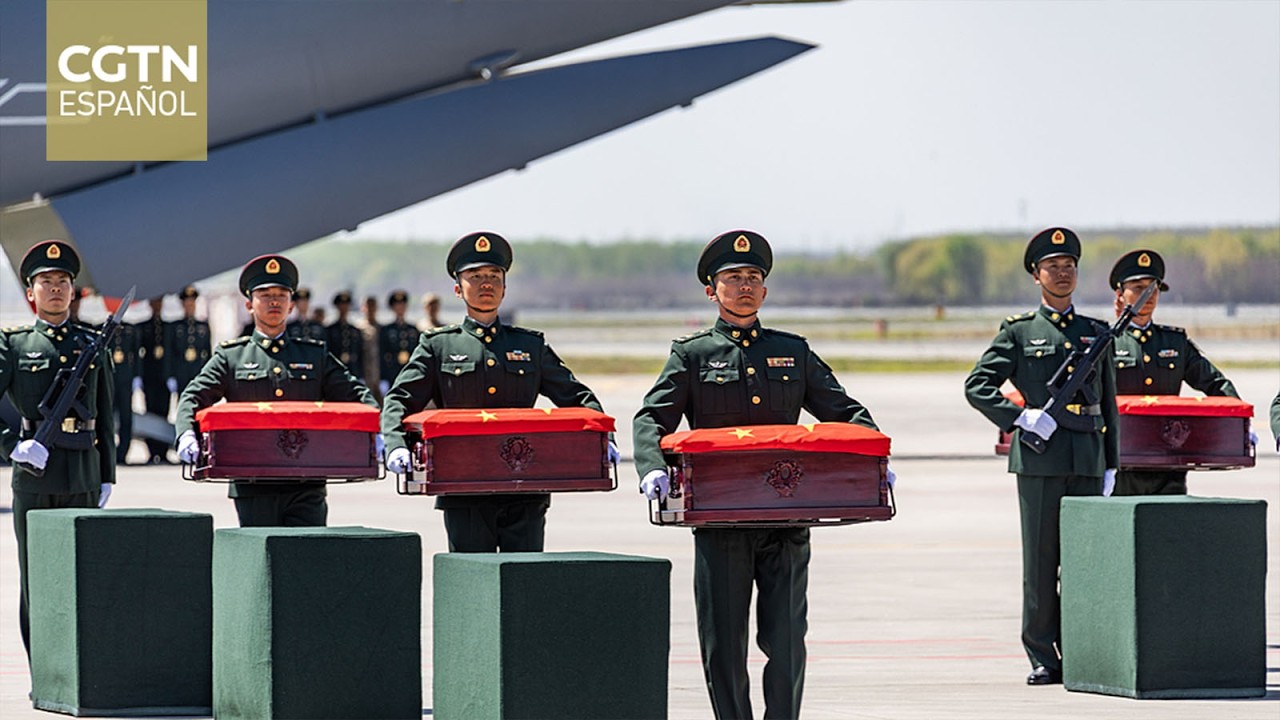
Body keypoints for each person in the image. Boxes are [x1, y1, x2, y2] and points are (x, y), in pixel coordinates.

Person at [632, 230, 883, 720]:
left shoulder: (793, 350)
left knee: (787, 639)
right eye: (732, 278)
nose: (744, 286)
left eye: (753, 278)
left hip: (787, 519)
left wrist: (871, 458)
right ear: (712, 290)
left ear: (765, 291)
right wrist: (652, 466)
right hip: (721, 519)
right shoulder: (693, 355)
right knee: (724, 643)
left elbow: (846, 411)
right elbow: (650, 418)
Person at [382, 232, 615, 553]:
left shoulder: (529, 345)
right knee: (471, 580)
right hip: (462, 484)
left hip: (526, 487)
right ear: (457, 288)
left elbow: (577, 398)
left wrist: (602, 439)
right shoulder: (439, 345)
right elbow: (399, 399)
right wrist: (395, 444)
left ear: (505, 287)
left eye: (494, 276)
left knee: (524, 582)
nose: (486, 284)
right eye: (475, 276)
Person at [964, 227, 1118, 686]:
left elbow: (1108, 402)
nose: (1063, 273)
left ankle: (1081, 649)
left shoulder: (1097, 332)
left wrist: (1112, 462)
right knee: (1040, 561)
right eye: (1053, 266)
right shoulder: (1019, 332)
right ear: (1036, 275)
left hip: (1087, 458)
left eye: (1069, 266)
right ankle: (1041, 654)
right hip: (1040, 460)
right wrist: (1020, 417)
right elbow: (977, 386)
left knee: (1083, 563)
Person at [174, 255, 378, 527]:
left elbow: (357, 395)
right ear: (249, 304)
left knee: (307, 559)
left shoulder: (314, 355)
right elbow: (194, 396)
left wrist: (378, 431)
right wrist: (186, 432)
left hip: (306, 480)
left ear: (292, 305)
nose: (274, 302)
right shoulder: (231, 356)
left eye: (282, 295)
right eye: (265, 295)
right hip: (251, 480)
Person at [1, 240, 116, 660]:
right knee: (38, 578)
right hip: (35, 477)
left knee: (83, 575)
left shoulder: (91, 343)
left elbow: (105, 413)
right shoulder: (13, 345)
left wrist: (107, 474)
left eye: (63, 282)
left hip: (83, 471)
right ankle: (43, 668)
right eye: (45, 282)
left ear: (74, 291)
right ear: (30, 293)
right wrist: (15, 446)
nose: (55, 289)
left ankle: (79, 667)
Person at [1107, 249, 1246, 495]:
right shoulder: (1107, 343)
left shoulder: (1174, 342)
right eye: (1138, 288)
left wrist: (1238, 423)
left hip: (1168, 462)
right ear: (1120, 294)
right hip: (1121, 460)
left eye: (1153, 288)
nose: (1147, 295)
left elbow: (1215, 383)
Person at [136, 296, 172, 463]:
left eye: (160, 303)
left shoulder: (168, 328)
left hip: (164, 376)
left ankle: (163, 451)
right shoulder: (144, 328)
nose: (157, 306)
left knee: (164, 412)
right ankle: (152, 451)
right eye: (155, 302)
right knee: (150, 412)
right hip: (149, 376)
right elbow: (138, 354)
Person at [103, 300, 140, 464]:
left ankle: (123, 451)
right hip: (108, 378)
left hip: (125, 379)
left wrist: (137, 376)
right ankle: (108, 451)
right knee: (107, 416)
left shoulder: (130, 330)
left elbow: (136, 356)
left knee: (126, 416)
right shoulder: (102, 329)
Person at [167, 285, 212, 400]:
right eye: (187, 304)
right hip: (181, 370)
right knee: (183, 401)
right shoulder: (176, 327)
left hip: (197, 370)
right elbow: (170, 352)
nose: (190, 307)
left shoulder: (203, 326)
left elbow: (208, 352)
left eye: (192, 304)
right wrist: (170, 375)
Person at [378, 289, 421, 395]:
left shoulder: (412, 329)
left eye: (402, 305)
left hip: (409, 372)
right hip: (392, 372)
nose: (400, 308)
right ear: (392, 308)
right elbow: (382, 354)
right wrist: (383, 376)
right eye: (397, 305)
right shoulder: (386, 330)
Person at [327, 290, 366, 382]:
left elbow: (360, 354)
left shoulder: (355, 330)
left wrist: (361, 374)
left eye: (346, 305)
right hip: (335, 371)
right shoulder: (330, 330)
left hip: (353, 371)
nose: (344, 308)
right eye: (341, 305)